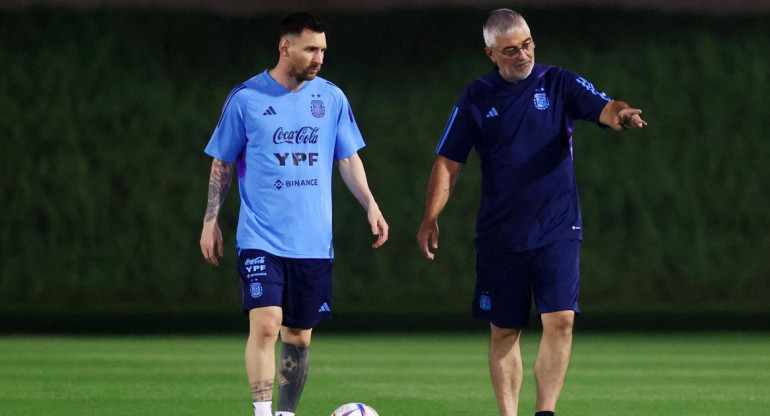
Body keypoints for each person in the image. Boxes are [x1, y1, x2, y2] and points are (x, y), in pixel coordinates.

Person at [417, 8, 646, 416]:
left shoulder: (558, 82)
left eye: (527, 45)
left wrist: (622, 116)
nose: (522, 55)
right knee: (505, 329)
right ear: (491, 54)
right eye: (510, 50)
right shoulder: (476, 96)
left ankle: (545, 412)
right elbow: (448, 161)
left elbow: (606, 106)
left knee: (560, 319)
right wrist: (430, 217)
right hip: (500, 233)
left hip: (557, 225)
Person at [200, 12, 389, 416]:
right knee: (266, 324)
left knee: (299, 336)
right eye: (311, 49)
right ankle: (264, 414)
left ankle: (286, 413)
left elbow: (348, 157)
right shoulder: (246, 98)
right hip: (260, 237)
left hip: (313, 241)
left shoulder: (331, 98)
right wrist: (210, 221)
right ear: (286, 48)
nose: (319, 57)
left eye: (322, 49)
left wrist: (370, 202)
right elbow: (223, 163)